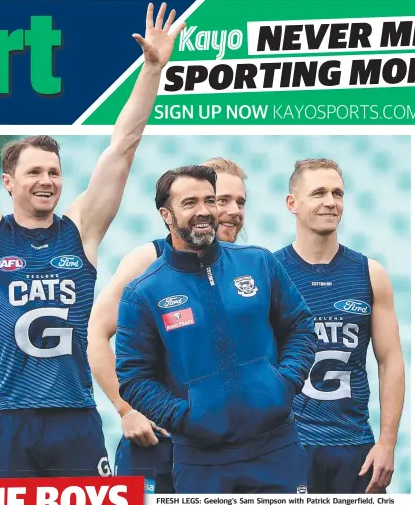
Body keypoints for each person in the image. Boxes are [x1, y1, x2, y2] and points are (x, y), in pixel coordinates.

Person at [0, 3, 186, 478]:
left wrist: (151, 69)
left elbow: (123, 144)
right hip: (7, 419)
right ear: (7, 181)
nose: (47, 181)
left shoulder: (80, 230)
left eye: (54, 172)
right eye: (34, 172)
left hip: (75, 417)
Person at [115, 165, 317, 494]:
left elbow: (300, 327)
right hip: (200, 463)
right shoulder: (143, 292)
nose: (204, 212)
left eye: (210, 200)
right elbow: (134, 378)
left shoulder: (258, 262)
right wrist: (186, 417)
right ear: (166, 214)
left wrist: (283, 384)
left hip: (278, 450)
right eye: (190, 202)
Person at [87, 158, 247, 493]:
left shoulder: (251, 269)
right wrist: (126, 410)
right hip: (158, 442)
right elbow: (95, 334)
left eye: (240, 202)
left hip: (227, 446)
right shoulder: (150, 260)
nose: (231, 211)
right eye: (222, 200)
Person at [274, 159, 405, 494]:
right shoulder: (270, 271)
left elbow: (390, 362)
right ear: (293, 203)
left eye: (337, 193)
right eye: (318, 192)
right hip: (289, 445)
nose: (330, 201)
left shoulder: (369, 273)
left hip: (355, 447)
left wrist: (387, 444)